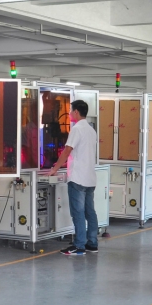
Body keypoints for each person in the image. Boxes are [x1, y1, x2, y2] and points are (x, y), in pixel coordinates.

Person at [49, 100, 98, 256]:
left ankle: (79, 245)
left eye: (71, 111)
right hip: (90, 178)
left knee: (78, 213)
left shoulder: (76, 129)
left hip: (77, 178)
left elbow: (67, 151)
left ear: (76, 112)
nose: (69, 113)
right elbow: (82, 153)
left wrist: (55, 169)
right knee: (90, 212)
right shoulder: (91, 130)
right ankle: (92, 243)